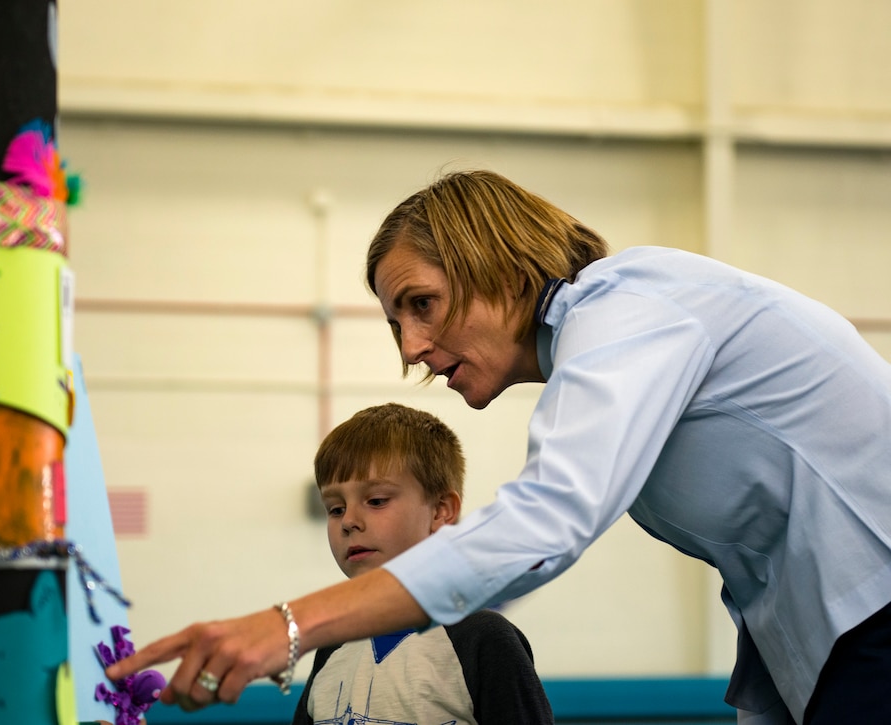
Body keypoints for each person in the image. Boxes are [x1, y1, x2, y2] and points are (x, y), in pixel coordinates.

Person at [108, 169, 891, 725]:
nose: (412, 347)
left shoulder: (633, 304)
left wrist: (286, 623)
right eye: (395, 322)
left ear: (499, 263)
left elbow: (542, 525)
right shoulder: (598, 362)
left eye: (422, 304)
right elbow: (765, 566)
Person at [293, 402, 553, 724]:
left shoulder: (482, 639)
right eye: (335, 508)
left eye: (376, 501)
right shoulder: (332, 649)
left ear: (440, 511)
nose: (348, 521)